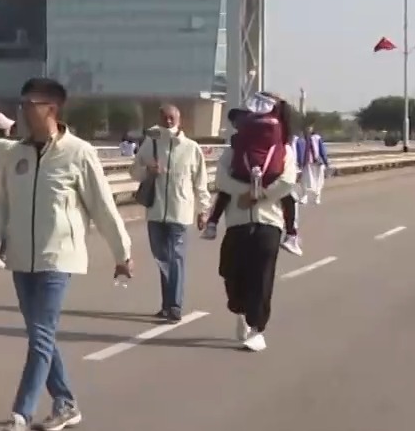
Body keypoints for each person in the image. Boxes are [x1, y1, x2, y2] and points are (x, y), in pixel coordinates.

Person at [0, 78, 133, 431]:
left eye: (29, 104)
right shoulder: (14, 154)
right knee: (41, 336)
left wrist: (122, 254)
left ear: (51, 108)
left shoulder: (78, 153)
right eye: (21, 103)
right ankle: (66, 402)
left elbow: (102, 206)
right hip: (21, 257)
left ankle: (20, 416)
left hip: (59, 257)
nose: (23, 110)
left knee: (40, 337)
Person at [215, 98, 300, 353]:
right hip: (237, 221)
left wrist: (259, 195)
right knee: (230, 273)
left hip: (269, 222)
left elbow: (287, 181)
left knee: (261, 276)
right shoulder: (233, 150)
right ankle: (240, 311)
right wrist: (244, 192)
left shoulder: (285, 149)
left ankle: (257, 329)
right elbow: (221, 179)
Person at [131, 104, 209, 323]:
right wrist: (148, 170)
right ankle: (167, 305)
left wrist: (203, 210)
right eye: (164, 118)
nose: (168, 122)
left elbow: (201, 182)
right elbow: (134, 171)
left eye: (171, 118)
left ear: (179, 119)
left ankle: (175, 306)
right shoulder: (151, 144)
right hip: (155, 212)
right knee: (162, 259)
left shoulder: (191, 148)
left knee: (176, 258)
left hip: (180, 213)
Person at [295, 125, 331, 203]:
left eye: (310, 127)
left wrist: (326, 162)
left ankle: (317, 197)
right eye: (307, 127)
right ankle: (304, 197)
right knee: (305, 181)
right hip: (306, 163)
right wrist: (299, 163)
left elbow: (322, 151)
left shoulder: (317, 138)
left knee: (318, 180)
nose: (308, 129)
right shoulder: (300, 140)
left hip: (317, 163)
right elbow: (298, 152)